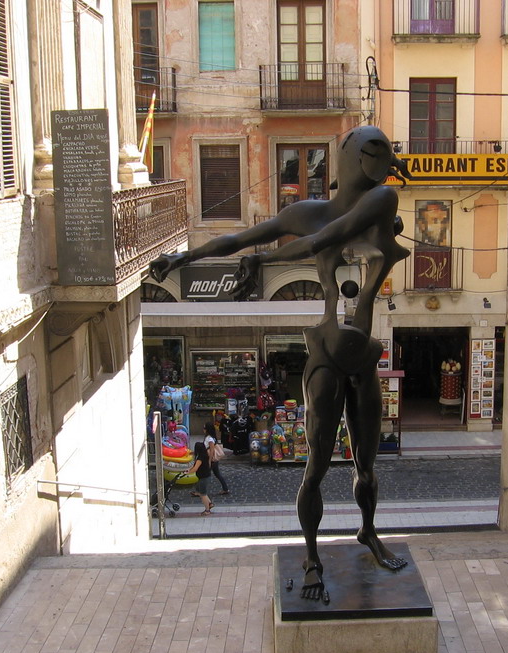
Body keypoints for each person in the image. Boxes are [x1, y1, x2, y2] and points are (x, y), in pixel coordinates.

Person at [150, 126, 412, 599]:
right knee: (316, 466)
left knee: (367, 466)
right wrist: (184, 256)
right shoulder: (310, 212)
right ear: (354, 158)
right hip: (327, 356)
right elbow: (239, 237)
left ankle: (368, 531)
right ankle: (311, 555)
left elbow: (324, 239)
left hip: (362, 359)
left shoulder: (381, 203)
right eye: (375, 154)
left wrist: (264, 260)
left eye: (384, 155)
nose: (382, 164)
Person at [187, 442, 214, 515]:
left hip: (203, 478)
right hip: (206, 476)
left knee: (203, 494)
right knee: (200, 491)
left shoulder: (199, 459)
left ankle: (207, 510)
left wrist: (188, 472)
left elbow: (195, 468)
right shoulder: (205, 455)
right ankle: (210, 503)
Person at [204, 422, 230, 495]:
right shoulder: (211, 437)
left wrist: (209, 460)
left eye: (204, 428)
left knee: (205, 475)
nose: (203, 429)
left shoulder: (210, 439)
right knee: (217, 474)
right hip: (213, 460)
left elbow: (212, 450)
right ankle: (225, 488)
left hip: (212, 459)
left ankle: (201, 491)